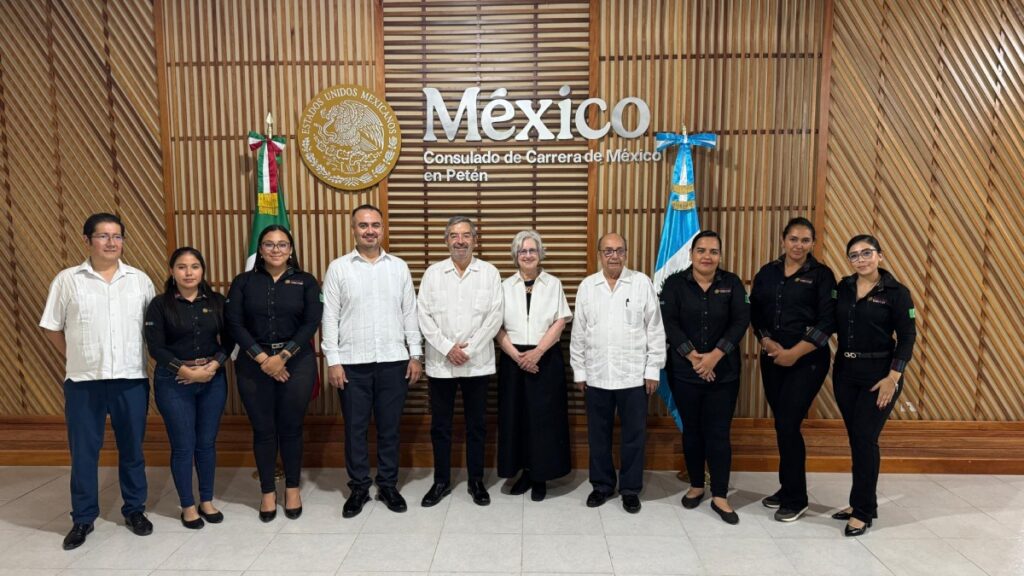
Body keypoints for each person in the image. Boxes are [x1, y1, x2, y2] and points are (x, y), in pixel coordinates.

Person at [39, 213, 156, 550]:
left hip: (131, 380)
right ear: (87, 239)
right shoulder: (67, 280)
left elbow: (153, 329)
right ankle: (82, 518)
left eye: (117, 236)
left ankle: (134, 510)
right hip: (83, 381)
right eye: (103, 236)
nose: (111, 243)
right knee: (84, 453)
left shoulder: (139, 280)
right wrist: (76, 356)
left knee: (132, 450)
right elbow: (51, 326)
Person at [321, 204, 423, 519]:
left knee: (390, 428)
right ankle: (359, 488)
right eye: (363, 225)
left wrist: (415, 353)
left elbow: (410, 311)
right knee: (355, 428)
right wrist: (333, 360)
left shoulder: (399, 267)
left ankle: (388, 485)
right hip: (352, 363)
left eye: (375, 225)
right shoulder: (338, 268)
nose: (369, 230)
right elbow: (330, 317)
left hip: (394, 360)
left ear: (382, 228)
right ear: (353, 229)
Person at [225, 225, 323, 522]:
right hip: (254, 363)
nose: (276, 250)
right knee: (264, 429)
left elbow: (311, 322)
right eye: (269, 244)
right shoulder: (243, 281)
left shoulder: (305, 282)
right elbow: (234, 323)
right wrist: (263, 358)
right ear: (261, 249)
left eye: (282, 245)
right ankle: (268, 492)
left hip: (297, 361)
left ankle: (292, 489)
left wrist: (281, 357)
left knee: (291, 428)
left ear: (291, 250)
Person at [570, 233, 665, 514]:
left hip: (633, 375)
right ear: (600, 254)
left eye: (619, 250)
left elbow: (655, 329)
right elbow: (579, 332)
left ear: (626, 253)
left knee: (634, 435)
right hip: (597, 374)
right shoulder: (588, 286)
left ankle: (630, 489)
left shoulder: (641, 283)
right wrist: (579, 371)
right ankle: (601, 485)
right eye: (608, 251)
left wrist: (653, 370)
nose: (614, 256)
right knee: (598, 434)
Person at [750, 217, 837, 522]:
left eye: (805, 240)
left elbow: (828, 322)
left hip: (808, 360)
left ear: (813, 243)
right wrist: (767, 341)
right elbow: (755, 312)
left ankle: (797, 498)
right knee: (782, 424)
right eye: (793, 239)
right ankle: (787, 487)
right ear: (783, 240)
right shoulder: (767, 272)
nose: (798, 245)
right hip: (773, 357)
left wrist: (794, 353)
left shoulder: (822, 275)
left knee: (788, 423)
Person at [661, 231, 749, 525]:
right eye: (701, 250)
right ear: (691, 254)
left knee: (719, 434)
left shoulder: (732, 283)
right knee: (693, 431)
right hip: (685, 372)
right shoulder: (674, 284)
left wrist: (714, 356)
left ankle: (720, 494)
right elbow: (669, 322)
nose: (707, 256)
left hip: (723, 373)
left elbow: (740, 322)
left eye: (713, 251)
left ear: (720, 256)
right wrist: (694, 357)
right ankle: (697, 484)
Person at [831, 235, 916, 537]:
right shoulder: (842, 288)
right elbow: (827, 322)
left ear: (880, 255)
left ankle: (863, 512)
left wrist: (893, 378)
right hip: (844, 372)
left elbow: (907, 338)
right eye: (854, 255)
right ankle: (864, 503)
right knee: (856, 439)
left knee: (866, 439)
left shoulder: (897, 293)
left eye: (867, 253)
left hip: (880, 375)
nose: (861, 259)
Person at [417, 215, 503, 507]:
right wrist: (446, 348)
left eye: (466, 235)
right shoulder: (433, 273)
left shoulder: (489, 273)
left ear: (475, 240)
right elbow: (423, 316)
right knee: (440, 425)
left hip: (477, 363)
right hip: (441, 365)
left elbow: (495, 316)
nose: (460, 240)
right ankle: (441, 481)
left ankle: (476, 481)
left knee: (476, 425)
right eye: (454, 235)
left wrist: (469, 349)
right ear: (447, 240)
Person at [144, 247, 231, 529]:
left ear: (202, 270)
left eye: (195, 266)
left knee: (206, 444)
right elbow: (155, 345)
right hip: (174, 381)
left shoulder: (217, 301)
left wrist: (212, 368)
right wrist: (184, 371)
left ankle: (206, 500)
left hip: (211, 378)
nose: (189, 272)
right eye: (182, 267)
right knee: (183, 446)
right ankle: (187, 505)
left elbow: (229, 341)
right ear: (172, 271)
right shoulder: (160, 304)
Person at [496, 230, 572, 502]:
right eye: (522, 251)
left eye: (532, 250)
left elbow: (560, 321)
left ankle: (541, 476)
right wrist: (518, 356)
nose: (527, 255)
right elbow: (497, 327)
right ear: (515, 256)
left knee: (544, 420)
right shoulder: (504, 286)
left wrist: (537, 352)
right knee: (516, 418)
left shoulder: (553, 284)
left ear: (540, 254)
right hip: (512, 358)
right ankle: (524, 472)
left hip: (545, 358)